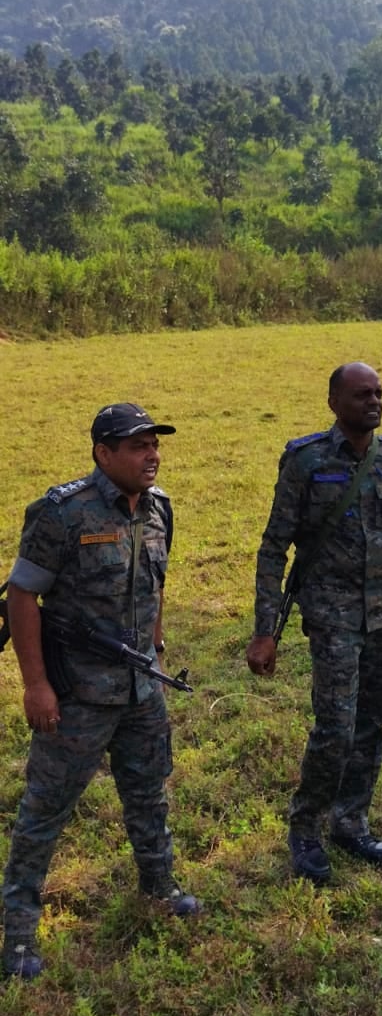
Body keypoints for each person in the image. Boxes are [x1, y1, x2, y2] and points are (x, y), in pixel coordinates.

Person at [2, 403, 200, 981]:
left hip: (141, 690)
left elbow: (155, 587)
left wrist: (156, 647)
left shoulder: (160, 510)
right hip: (78, 696)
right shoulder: (61, 514)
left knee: (149, 795)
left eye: (154, 445)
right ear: (103, 453)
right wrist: (35, 685)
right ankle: (17, 935)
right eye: (138, 446)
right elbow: (20, 599)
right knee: (44, 812)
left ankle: (159, 888)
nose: (152, 456)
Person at [246, 362, 382, 885]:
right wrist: (266, 630)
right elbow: (273, 548)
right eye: (360, 395)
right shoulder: (306, 461)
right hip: (331, 617)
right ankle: (306, 827)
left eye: (378, 393)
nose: (373, 402)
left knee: (371, 726)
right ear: (334, 403)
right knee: (334, 728)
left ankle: (351, 820)